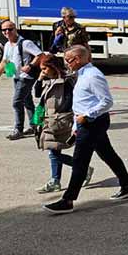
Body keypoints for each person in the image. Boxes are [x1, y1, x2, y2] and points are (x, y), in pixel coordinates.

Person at [43, 45, 128, 214]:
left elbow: (106, 101)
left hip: (93, 122)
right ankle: (127, 184)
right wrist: (78, 122)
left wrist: (86, 116)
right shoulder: (82, 74)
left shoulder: (93, 76)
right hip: (86, 122)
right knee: (107, 154)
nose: (67, 64)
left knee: (80, 161)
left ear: (78, 59)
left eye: (68, 60)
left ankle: (68, 199)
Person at [34, 53, 93, 194]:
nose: (43, 72)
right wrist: (39, 79)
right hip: (48, 119)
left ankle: (81, 169)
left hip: (59, 121)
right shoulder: (48, 80)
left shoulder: (66, 82)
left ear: (53, 67)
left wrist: (60, 116)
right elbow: (37, 94)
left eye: (44, 69)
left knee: (53, 152)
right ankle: (55, 180)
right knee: (54, 150)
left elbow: (70, 101)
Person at [0, 20, 42, 140]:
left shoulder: (25, 43)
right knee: (27, 102)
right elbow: (4, 62)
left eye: (10, 29)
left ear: (15, 29)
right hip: (16, 76)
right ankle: (34, 126)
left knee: (17, 102)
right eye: (4, 30)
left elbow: (40, 55)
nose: (7, 32)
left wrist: (30, 66)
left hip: (26, 78)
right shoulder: (8, 45)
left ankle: (18, 129)